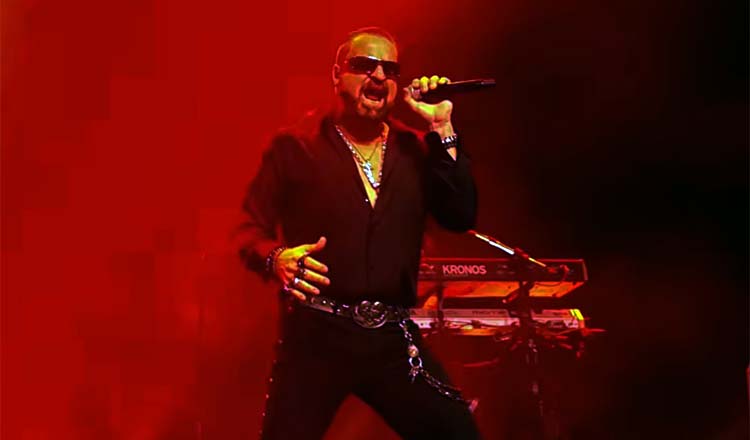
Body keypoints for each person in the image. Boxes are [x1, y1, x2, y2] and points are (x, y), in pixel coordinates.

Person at [233, 26, 481, 439]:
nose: (379, 76)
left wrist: (442, 128)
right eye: (365, 65)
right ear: (337, 75)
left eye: (390, 69)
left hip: (392, 338)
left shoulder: (417, 149)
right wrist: (276, 259)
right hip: (317, 334)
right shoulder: (295, 147)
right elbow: (246, 230)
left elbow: (460, 216)